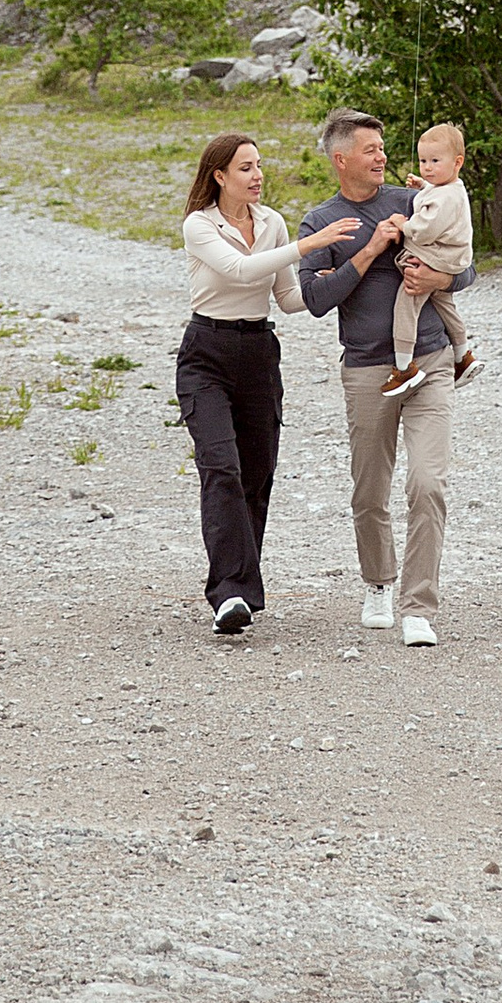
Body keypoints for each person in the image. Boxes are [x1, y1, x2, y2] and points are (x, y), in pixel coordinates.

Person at [293, 104, 474, 648]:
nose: (383, 157)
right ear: (341, 158)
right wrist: (369, 251)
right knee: (370, 488)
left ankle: (419, 606)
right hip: (368, 369)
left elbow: (466, 267)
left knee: (428, 483)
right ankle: (378, 582)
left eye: (383, 147)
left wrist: (435, 276)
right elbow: (314, 300)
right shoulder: (319, 222)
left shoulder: (414, 200)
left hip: (431, 361)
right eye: (371, 150)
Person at [175, 131, 309, 639]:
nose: (257, 176)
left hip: (258, 353)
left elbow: (289, 298)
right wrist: (309, 243)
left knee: (256, 474)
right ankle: (229, 591)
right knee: (221, 467)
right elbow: (237, 270)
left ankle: (240, 594)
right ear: (220, 176)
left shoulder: (271, 222)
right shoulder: (198, 225)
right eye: (246, 168)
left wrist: (354, 271)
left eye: (259, 166)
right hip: (206, 352)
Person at [379, 119, 479, 404]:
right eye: (424, 160)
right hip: (452, 257)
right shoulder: (451, 187)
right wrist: (423, 185)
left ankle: (403, 367)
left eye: (435, 161)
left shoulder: (445, 197)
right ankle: (463, 355)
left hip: (437, 256)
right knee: (444, 303)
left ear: (457, 162)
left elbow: (425, 230)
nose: (428, 166)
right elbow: (438, 197)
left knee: (407, 301)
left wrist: (403, 224)